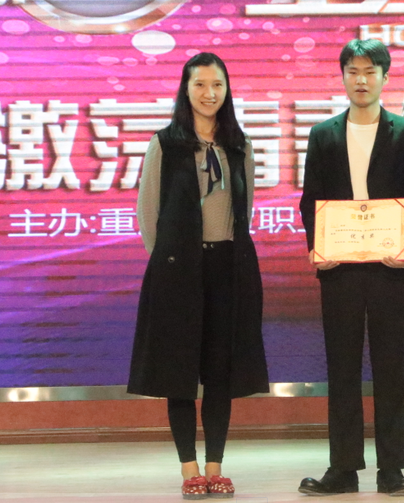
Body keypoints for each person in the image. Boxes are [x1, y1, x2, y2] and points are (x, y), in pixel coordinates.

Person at [128, 52, 269, 501]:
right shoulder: (165, 144)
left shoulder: (239, 145)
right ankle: (189, 467)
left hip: (229, 269)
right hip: (178, 272)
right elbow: (148, 213)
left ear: (228, 91)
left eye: (218, 85)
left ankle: (215, 466)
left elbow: (245, 210)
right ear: (185, 89)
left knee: (221, 373)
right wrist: (171, 263)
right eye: (200, 85)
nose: (210, 94)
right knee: (179, 371)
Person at [297, 39, 404, 497]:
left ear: (385, 77)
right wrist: (318, 246)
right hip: (339, 269)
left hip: (390, 268)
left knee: (390, 369)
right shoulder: (323, 134)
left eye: (370, 71)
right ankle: (343, 469)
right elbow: (311, 199)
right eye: (353, 71)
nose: (361, 80)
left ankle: (391, 469)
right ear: (342, 77)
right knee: (342, 370)